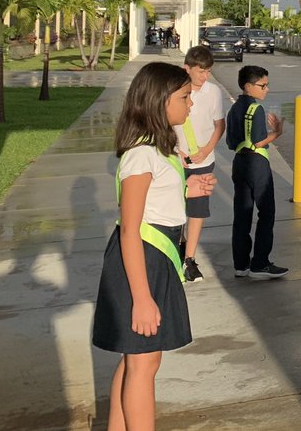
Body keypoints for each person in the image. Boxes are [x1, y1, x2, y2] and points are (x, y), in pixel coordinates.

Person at [91, 62, 215, 431]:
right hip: (140, 262)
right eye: (183, 97)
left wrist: (187, 189)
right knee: (144, 363)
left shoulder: (160, 149)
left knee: (137, 360)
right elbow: (130, 229)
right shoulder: (141, 155)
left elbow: (154, 202)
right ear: (160, 102)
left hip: (155, 258)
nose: (190, 104)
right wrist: (142, 299)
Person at [227, 64, 289, 280]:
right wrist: (277, 133)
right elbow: (258, 141)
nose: (266, 89)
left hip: (239, 163)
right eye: (262, 85)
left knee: (242, 214)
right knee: (266, 213)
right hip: (257, 164)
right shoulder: (256, 109)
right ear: (248, 86)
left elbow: (230, 142)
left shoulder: (234, 108)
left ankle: (241, 264)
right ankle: (260, 263)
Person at [173, 45, 227, 283]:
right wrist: (176, 151)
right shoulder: (175, 90)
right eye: (201, 72)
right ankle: (176, 248)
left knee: (197, 212)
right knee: (175, 209)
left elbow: (219, 125)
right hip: (176, 161)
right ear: (188, 68)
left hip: (204, 161)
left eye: (209, 72)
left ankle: (189, 259)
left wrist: (207, 150)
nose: (205, 77)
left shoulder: (213, 92)